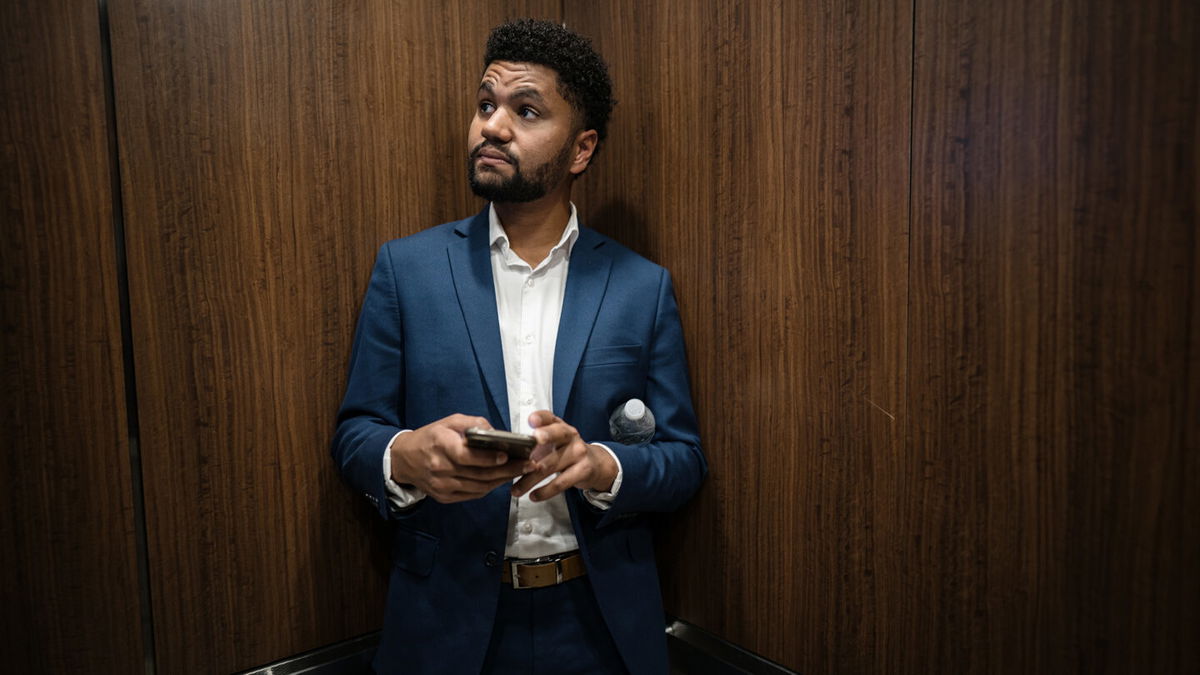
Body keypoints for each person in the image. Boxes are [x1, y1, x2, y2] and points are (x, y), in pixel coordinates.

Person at [332, 18, 706, 675]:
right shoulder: (406, 269)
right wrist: (406, 455)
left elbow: (684, 462)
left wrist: (599, 465)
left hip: (599, 627)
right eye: (485, 104)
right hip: (444, 623)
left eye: (525, 109)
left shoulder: (641, 287)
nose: (492, 126)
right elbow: (355, 432)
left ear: (581, 149)